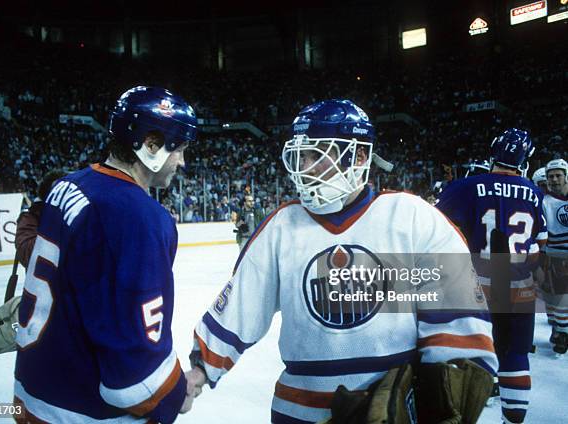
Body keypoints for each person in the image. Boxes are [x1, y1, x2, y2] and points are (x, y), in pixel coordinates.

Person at [187, 99, 497, 423]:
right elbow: (240, 308)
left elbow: (459, 328)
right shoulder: (281, 227)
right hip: (298, 412)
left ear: (359, 156)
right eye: (301, 154)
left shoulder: (412, 217)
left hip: (392, 411)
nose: (304, 166)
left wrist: (440, 402)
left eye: (317, 154)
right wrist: (197, 374)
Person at [14, 86, 200, 423]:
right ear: (152, 145)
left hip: (33, 393)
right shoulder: (138, 216)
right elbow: (133, 372)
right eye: (179, 150)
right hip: (79, 410)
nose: (182, 163)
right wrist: (173, 394)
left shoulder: (68, 184)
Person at [436, 128, 547, 424]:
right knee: (516, 355)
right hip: (519, 287)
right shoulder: (535, 193)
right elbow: (541, 241)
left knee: (470, 356)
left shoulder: (466, 186)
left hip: (477, 287)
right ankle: (512, 419)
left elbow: (435, 231)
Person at [540, 158, 568, 354]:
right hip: (554, 255)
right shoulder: (544, 202)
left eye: (558, 175)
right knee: (557, 298)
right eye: (551, 176)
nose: (554, 179)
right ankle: (561, 331)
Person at [15, 169, 66, 268]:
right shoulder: (30, 217)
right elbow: (28, 255)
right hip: (45, 282)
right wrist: (55, 220)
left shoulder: (76, 215)